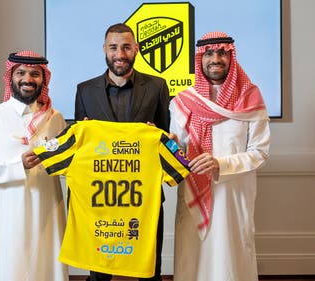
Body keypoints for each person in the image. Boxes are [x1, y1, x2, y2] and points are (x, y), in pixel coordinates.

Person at [169, 31, 270, 281]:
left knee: (230, 258)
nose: (216, 59)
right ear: (200, 58)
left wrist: (219, 164)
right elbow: (178, 149)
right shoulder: (184, 101)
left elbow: (260, 152)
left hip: (233, 197)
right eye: (209, 53)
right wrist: (164, 145)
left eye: (222, 53)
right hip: (193, 194)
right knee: (192, 257)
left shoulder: (250, 98)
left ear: (231, 57)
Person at [74, 23, 170, 281]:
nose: (120, 54)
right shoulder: (84, 89)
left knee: (149, 267)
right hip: (100, 196)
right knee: (99, 270)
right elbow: (80, 147)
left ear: (136, 49)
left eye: (127, 47)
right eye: (114, 47)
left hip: (144, 196)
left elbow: (166, 136)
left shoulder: (158, 86)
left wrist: (159, 136)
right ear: (104, 49)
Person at [0, 50, 69, 281]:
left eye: (35, 74)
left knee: (46, 269)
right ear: (11, 77)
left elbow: (64, 164)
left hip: (46, 217)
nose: (28, 79)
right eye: (21, 73)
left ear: (44, 79)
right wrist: (16, 166)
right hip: (6, 220)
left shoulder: (55, 118)